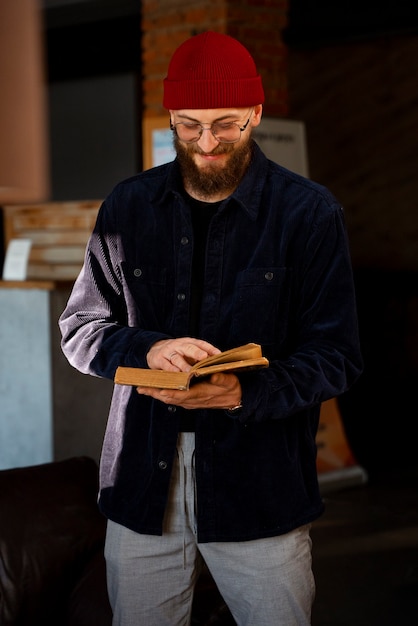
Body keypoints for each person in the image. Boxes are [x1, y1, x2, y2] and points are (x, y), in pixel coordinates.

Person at [59, 30, 363, 626]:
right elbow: (81, 328)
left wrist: (245, 390)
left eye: (226, 124)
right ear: (170, 117)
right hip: (142, 482)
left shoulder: (310, 214)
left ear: (255, 113)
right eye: (189, 125)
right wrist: (149, 347)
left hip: (261, 487)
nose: (207, 143)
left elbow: (337, 355)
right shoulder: (127, 207)